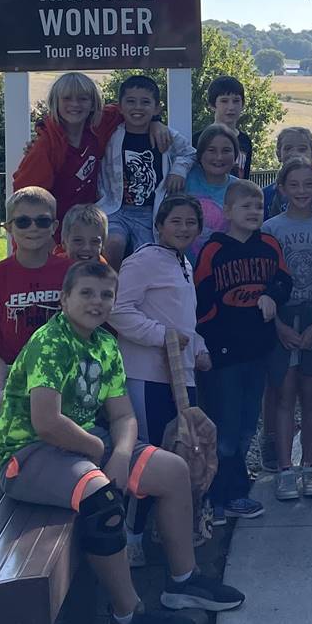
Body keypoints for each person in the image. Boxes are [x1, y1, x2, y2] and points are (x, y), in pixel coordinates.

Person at [0, 261, 243, 624]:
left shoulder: (106, 344)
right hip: (29, 454)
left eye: (106, 294)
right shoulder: (50, 342)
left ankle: (182, 580)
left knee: (173, 470)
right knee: (102, 498)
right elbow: (46, 422)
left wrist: (121, 454)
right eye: (86, 293)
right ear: (64, 298)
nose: (97, 302)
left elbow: (123, 415)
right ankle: (126, 617)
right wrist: (97, 451)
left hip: (86, 441)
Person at [109, 195, 211, 566]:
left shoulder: (184, 263)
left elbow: (183, 319)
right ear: (160, 225)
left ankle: (161, 531)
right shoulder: (144, 261)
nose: (183, 229)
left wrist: (197, 346)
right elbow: (118, 310)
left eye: (190, 223)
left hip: (179, 374)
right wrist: (161, 336)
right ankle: (130, 537)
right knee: (149, 456)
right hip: (147, 375)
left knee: (176, 452)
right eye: (176, 222)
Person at [193, 180, 293, 520]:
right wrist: (209, 339)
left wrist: (272, 296)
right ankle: (221, 495)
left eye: (258, 208)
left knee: (248, 423)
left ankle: (231, 491)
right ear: (227, 212)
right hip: (223, 353)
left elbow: (284, 281)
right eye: (246, 207)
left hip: (257, 351)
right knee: (225, 427)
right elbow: (201, 299)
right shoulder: (213, 250)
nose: (254, 212)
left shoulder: (269, 245)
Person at [264, 159, 312, 501]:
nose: (301, 192)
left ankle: (311, 465)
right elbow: (262, 283)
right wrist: (277, 325)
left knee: (311, 395)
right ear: (282, 188)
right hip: (281, 320)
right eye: (293, 185)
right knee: (284, 395)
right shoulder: (270, 229)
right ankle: (285, 469)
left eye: (308, 184)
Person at [11, 73, 156, 239]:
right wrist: (43, 242)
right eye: (67, 98)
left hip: (90, 233)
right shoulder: (47, 146)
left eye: (83, 99)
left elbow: (133, 109)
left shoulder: (99, 126)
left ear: (94, 103)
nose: (75, 104)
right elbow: (25, 198)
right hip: (53, 236)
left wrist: (156, 122)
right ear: (55, 102)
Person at [0, 186, 73, 401]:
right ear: (9, 227)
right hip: (13, 368)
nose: (33, 228)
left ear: (54, 226)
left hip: (63, 366)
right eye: (23, 221)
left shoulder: (69, 270)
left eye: (42, 221)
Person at [97, 75, 194, 266]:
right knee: (113, 244)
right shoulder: (112, 135)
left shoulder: (165, 135)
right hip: (116, 209)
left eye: (145, 102)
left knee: (149, 257)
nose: (138, 108)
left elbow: (189, 153)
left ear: (157, 108)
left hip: (150, 213)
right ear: (121, 106)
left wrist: (178, 171)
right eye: (131, 102)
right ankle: (113, 288)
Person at [261, 126, 312, 220]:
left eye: (302, 149)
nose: (295, 153)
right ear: (278, 154)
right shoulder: (266, 195)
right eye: (288, 148)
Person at [184, 125, 240, 238]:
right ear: (200, 153)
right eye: (211, 150)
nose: (219, 157)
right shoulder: (184, 179)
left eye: (226, 151)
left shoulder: (240, 188)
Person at [207, 75, 254, 178]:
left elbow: (245, 178)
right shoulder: (200, 138)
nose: (231, 107)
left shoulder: (245, 141)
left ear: (242, 104)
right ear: (212, 105)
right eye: (224, 101)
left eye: (236, 101)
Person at [59, 203, 110, 273]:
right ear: (64, 243)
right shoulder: (54, 269)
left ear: (103, 244)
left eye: (94, 241)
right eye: (78, 240)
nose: (87, 248)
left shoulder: (102, 270)